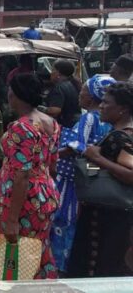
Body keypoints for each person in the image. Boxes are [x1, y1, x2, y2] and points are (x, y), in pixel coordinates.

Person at [0, 73, 60, 279]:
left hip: (23, 201)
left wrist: (13, 219)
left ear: (14, 95)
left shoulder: (21, 127)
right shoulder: (51, 122)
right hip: (44, 195)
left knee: (16, 255)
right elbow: (52, 163)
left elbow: (22, 175)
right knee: (38, 250)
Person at [50, 75, 115, 274]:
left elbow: (76, 146)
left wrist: (50, 155)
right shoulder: (109, 121)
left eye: (84, 91)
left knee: (62, 220)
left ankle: (60, 264)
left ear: (93, 97)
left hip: (71, 180)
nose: (80, 94)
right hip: (91, 177)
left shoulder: (89, 117)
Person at [67, 82, 133, 277]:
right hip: (108, 215)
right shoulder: (118, 134)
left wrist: (97, 159)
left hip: (108, 220)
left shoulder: (121, 138)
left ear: (122, 109)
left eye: (106, 102)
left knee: (101, 269)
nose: (101, 106)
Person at [44, 59, 81, 128]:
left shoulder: (59, 88)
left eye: (53, 70)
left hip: (65, 126)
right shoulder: (73, 84)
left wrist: (39, 109)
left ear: (58, 73)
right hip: (75, 124)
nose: (51, 73)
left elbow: (55, 111)